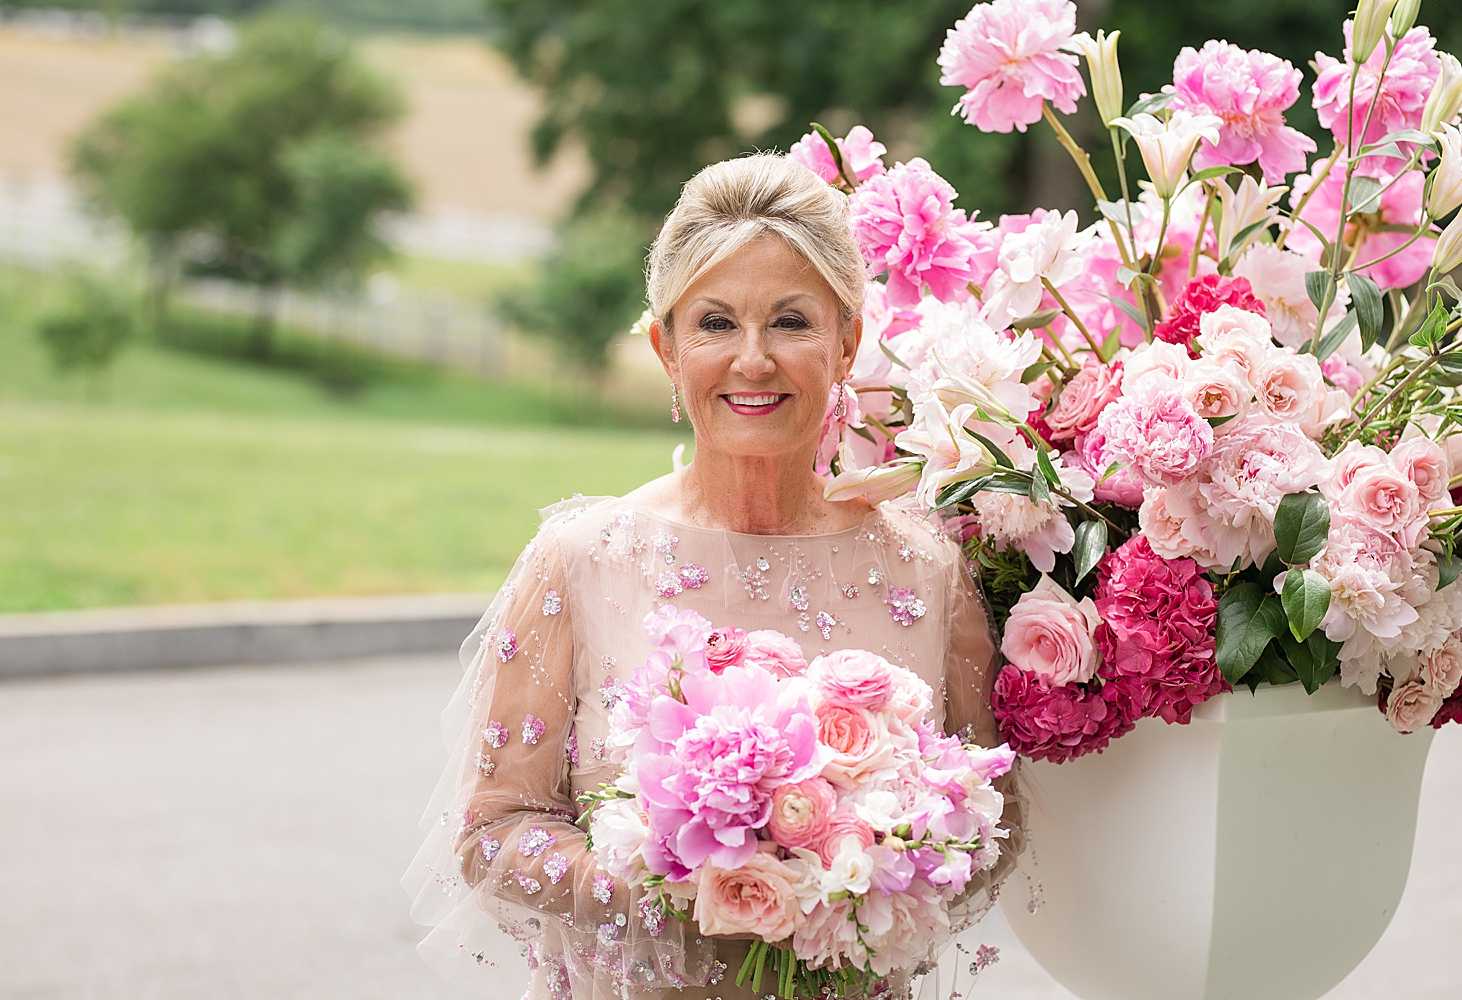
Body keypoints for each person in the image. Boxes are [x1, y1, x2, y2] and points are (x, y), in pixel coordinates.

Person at [404, 153, 1022, 1000]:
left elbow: (998, 818)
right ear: (666, 347)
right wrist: (685, 880)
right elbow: (493, 831)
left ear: (847, 341)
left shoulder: (929, 568)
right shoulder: (583, 559)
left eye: (793, 322)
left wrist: (865, 866)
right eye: (717, 323)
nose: (755, 360)